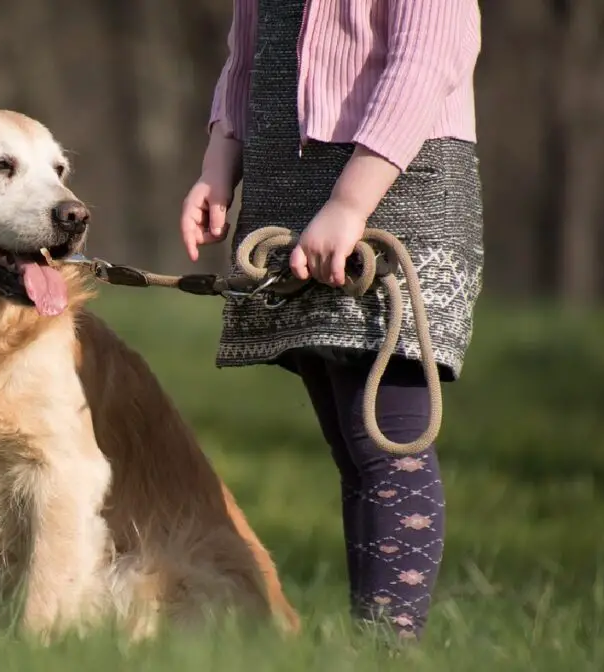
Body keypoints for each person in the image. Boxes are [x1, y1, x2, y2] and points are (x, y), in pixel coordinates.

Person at [179, 0, 484, 641]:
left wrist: (350, 203)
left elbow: (425, 62)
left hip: (397, 183)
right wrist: (217, 168)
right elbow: (248, 60)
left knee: (386, 443)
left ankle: (389, 650)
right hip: (292, 182)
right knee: (353, 447)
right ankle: (370, 641)